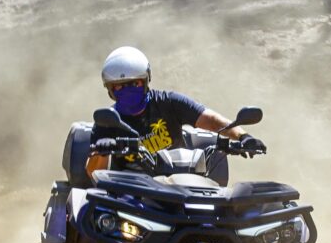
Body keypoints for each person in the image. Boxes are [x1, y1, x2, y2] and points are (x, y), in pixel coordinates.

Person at [97, 45, 246, 158]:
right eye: (119, 86)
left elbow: (212, 120)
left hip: (178, 181)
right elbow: (94, 172)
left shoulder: (169, 103)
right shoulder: (106, 120)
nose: (128, 91)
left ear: (146, 81)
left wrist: (243, 136)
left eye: (135, 84)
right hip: (128, 192)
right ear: (110, 90)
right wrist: (101, 152)